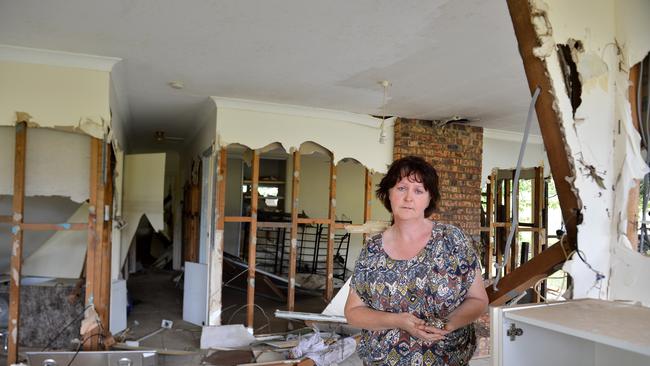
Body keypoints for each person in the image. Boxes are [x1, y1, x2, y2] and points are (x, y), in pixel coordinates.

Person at [344, 156, 488, 366]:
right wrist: (398, 321)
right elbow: (353, 313)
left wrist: (447, 325)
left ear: (429, 198)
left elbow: (479, 300)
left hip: (447, 359)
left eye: (418, 191)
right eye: (401, 188)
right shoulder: (372, 250)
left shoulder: (452, 240)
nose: (408, 198)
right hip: (383, 360)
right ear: (388, 194)